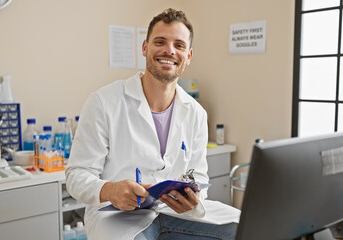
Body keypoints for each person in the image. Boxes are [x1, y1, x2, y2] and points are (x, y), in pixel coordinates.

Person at [66, 8, 240, 240]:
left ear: (188, 56)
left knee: (244, 227)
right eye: (160, 42)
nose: (169, 50)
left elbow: (198, 177)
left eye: (179, 45)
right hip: (118, 217)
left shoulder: (196, 112)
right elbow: (77, 175)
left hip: (175, 214)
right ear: (145, 47)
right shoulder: (104, 102)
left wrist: (193, 200)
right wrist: (110, 190)